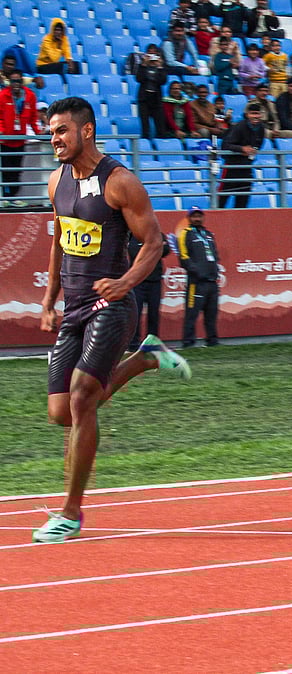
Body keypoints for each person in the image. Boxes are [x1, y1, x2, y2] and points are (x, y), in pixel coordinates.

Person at [35, 97, 192, 543]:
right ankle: (145, 358)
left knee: (84, 398)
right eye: (50, 132)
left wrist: (123, 284)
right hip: (75, 309)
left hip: (113, 305)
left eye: (61, 130)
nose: (54, 139)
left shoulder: (120, 182)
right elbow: (59, 241)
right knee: (60, 413)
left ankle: (70, 512)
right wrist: (49, 300)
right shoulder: (55, 182)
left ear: (86, 131)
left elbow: (154, 241)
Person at [178, 206, 221, 347]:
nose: (197, 218)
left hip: (212, 281)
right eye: (194, 216)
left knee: (211, 314)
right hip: (196, 283)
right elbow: (184, 257)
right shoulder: (186, 234)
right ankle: (188, 342)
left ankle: (212, 341)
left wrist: (214, 271)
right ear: (189, 218)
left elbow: (214, 255)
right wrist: (197, 272)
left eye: (199, 216)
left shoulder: (209, 234)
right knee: (192, 314)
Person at [0, 72, 41, 208]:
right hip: (5, 141)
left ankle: (15, 197)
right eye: (13, 81)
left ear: (22, 82)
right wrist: (2, 131)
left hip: (20, 140)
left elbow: (33, 118)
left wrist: (38, 133)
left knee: (17, 170)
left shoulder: (30, 96)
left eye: (18, 81)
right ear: (9, 82)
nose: (16, 84)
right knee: (5, 170)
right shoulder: (3, 95)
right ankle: (6, 198)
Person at [126, 231, 170, 351]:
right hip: (137, 281)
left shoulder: (157, 234)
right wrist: (152, 250)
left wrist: (156, 247)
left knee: (154, 314)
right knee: (136, 314)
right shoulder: (131, 236)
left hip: (155, 280)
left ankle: (153, 344)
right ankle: (133, 345)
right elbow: (134, 252)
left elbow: (166, 249)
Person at [217, 102, 265, 208]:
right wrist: (242, 149)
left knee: (243, 202)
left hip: (246, 168)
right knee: (221, 201)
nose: (255, 116)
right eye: (253, 113)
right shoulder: (239, 127)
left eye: (257, 114)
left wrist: (253, 150)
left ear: (261, 115)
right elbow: (225, 145)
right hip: (231, 167)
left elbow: (259, 144)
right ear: (247, 114)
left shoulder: (261, 128)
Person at [134, 47, 169, 139]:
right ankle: (145, 143)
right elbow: (139, 79)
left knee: (160, 125)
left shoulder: (160, 68)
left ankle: (161, 144)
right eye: (150, 54)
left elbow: (163, 81)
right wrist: (144, 64)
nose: (152, 56)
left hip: (156, 99)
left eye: (154, 54)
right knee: (145, 126)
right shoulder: (142, 67)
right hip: (144, 99)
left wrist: (160, 66)